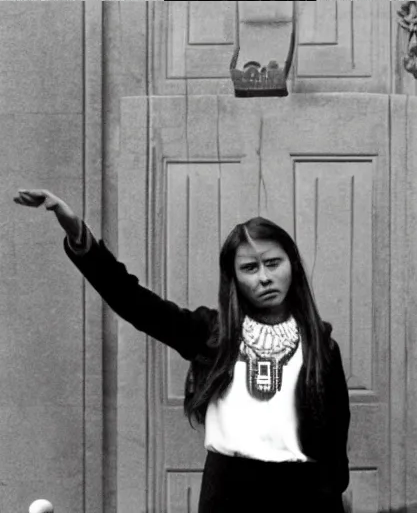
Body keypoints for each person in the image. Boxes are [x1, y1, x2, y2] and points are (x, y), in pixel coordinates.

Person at [13, 188, 351, 512]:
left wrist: (327, 494)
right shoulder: (213, 333)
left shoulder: (322, 346)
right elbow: (135, 303)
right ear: (234, 278)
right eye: (250, 267)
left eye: (273, 263)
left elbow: (336, 444)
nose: (264, 277)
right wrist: (77, 232)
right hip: (230, 494)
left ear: (292, 265)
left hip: (305, 495)